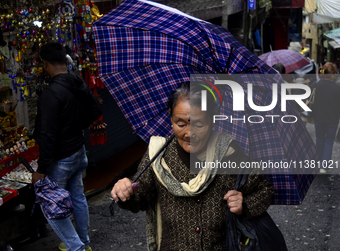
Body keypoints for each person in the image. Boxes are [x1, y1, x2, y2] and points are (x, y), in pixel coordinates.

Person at [111, 82, 276, 250]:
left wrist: (244, 205)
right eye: (181, 124)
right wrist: (126, 192)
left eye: (199, 125)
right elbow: (140, 199)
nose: (189, 134)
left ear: (213, 119)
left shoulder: (230, 152)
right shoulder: (158, 155)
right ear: (171, 116)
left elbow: (265, 188)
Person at [32, 42, 102, 251]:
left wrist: (41, 170)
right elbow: (95, 111)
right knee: (77, 196)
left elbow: (48, 135)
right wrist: (75, 127)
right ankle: (84, 242)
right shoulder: (77, 82)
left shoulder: (51, 93)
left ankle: (77, 247)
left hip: (62, 158)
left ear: (45, 64)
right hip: (78, 152)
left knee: (49, 205)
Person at [313, 62, 340, 173]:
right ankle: (324, 166)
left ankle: (318, 163)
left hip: (318, 117)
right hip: (332, 119)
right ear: (333, 75)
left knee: (319, 140)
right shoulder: (337, 88)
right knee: (329, 141)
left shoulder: (316, 85)